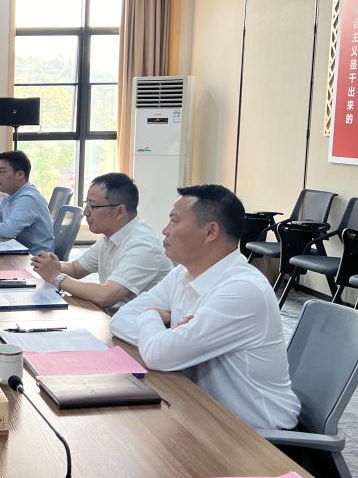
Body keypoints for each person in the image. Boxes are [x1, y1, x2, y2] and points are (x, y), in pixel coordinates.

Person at [110, 184, 300, 430]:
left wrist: (151, 316)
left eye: (174, 221)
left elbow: (159, 355)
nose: (165, 230)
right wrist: (169, 337)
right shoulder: (182, 274)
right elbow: (121, 320)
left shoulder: (242, 289)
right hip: (204, 413)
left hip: (257, 434)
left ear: (211, 232)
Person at [31, 173, 171, 311]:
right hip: (114, 316)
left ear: (119, 211)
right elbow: (75, 268)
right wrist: (47, 264)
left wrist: (56, 277)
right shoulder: (110, 236)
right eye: (86, 204)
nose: (86, 212)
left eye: (93, 206)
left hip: (135, 323)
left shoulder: (143, 246)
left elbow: (105, 295)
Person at [0, 150, 54, 253]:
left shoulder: (28, 198)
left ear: (20, 174)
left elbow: (9, 230)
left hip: (34, 258)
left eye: (2, 171)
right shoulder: (12, 196)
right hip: (18, 251)